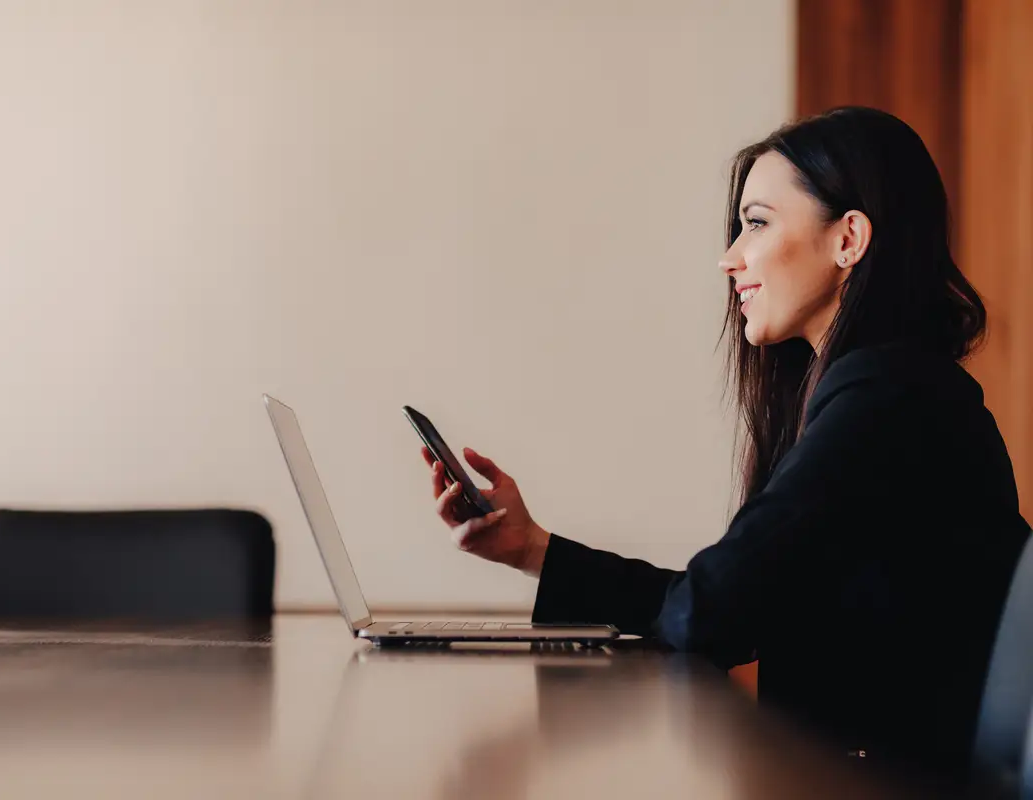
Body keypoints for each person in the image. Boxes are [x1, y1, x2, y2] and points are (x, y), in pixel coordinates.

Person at [420, 107, 1030, 778]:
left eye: (758, 223)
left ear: (848, 238)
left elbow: (714, 611)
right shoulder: (888, 387)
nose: (729, 256)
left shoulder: (887, 397)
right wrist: (532, 549)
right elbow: (724, 600)